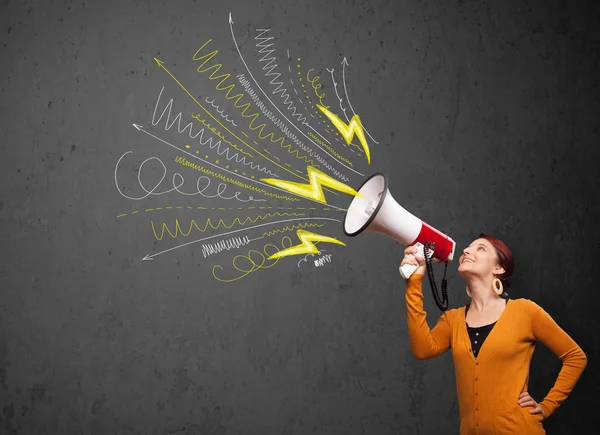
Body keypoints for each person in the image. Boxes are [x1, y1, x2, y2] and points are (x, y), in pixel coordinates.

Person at [400, 233, 587, 434]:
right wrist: (415, 280)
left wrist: (547, 405)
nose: (466, 251)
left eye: (481, 248)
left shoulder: (525, 312)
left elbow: (575, 357)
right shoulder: (452, 320)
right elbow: (422, 350)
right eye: (468, 248)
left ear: (499, 268)